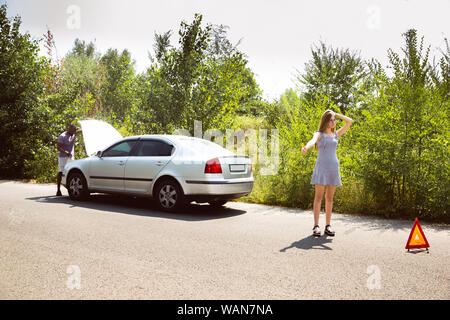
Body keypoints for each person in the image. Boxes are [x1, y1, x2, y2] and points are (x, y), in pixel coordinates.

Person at [301, 110, 354, 237]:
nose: (333, 122)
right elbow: (312, 141)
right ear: (325, 121)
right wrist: (306, 147)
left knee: (329, 198)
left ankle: (328, 226)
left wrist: (336, 114)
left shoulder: (335, 134)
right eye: (331, 120)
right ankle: (316, 226)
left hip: (333, 169)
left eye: (334, 120)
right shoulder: (319, 134)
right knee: (318, 198)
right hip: (321, 168)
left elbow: (350, 121)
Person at [56, 124, 82, 196]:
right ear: (69, 129)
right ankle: (58, 190)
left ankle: (70, 188)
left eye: (75, 130)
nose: (75, 131)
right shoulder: (62, 136)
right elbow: (58, 147)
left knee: (71, 171)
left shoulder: (73, 134)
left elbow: (79, 132)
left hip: (71, 157)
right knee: (61, 171)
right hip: (63, 157)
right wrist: (66, 152)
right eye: (73, 130)